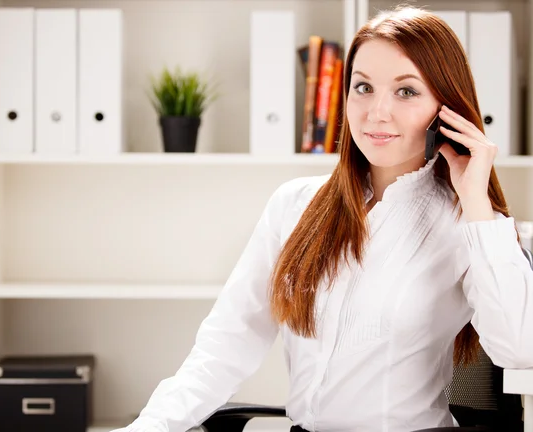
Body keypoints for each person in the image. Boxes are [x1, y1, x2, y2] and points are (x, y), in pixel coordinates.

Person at [115, 5, 533, 432]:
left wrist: (477, 202)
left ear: (447, 109)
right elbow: (225, 346)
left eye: (406, 91)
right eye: (363, 87)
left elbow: (519, 351)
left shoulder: (470, 223)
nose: (376, 112)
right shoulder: (294, 204)